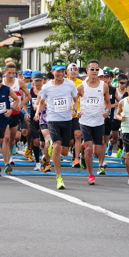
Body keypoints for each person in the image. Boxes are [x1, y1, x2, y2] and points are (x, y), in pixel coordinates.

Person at [35, 60, 78, 190]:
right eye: (57, 71)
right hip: (53, 119)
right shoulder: (47, 86)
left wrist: (74, 108)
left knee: (64, 152)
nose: (60, 73)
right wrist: (37, 113)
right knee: (57, 145)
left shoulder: (70, 85)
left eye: (62, 71)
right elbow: (41, 102)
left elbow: (75, 100)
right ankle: (59, 177)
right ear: (52, 71)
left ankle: (53, 150)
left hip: (66, 120)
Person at [76, 60, 111, 184]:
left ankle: (82, 157)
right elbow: (74, 101)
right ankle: (91, 175)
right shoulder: (81, 86)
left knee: (97, 151)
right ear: (87, 71)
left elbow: (108, 103)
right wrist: (77, 111)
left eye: (97, 69)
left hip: (99, 120)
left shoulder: (104, 86)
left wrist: (106, 110)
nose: (95, 71)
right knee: (89, 149)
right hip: (85, 121)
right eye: (92, 69)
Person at [2, 63, 31, 159]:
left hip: (15, 113)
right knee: (5, 138)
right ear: (5, 72)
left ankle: (9, 156)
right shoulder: (0, 82)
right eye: (9, 73)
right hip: (3, 114)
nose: (11, 75)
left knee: (12, 139)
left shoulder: (19, 82)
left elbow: (28, 96)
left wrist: (20, 105)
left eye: (13, 73)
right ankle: (6, 159)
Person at [66, 63, 84, 168]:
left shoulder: (81, 83)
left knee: (78, 136)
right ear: (67, 72)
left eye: (75, 69)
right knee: (69, 140)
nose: (73, 71)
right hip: (65, 114)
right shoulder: (64, 82)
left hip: (78, 113)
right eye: (71, 69)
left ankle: (76, 159)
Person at [28, 72, 45, 171]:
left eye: (40, 80)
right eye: (36, 80)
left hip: (44, 118)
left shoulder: (45, 91)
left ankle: (45, 160)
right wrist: (26, 113)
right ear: (33, 81)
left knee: (43, 143)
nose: (38, 82)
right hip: (34, 119)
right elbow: (24, 102)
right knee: (36, 141)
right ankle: (38, 163)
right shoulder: (30, 91)